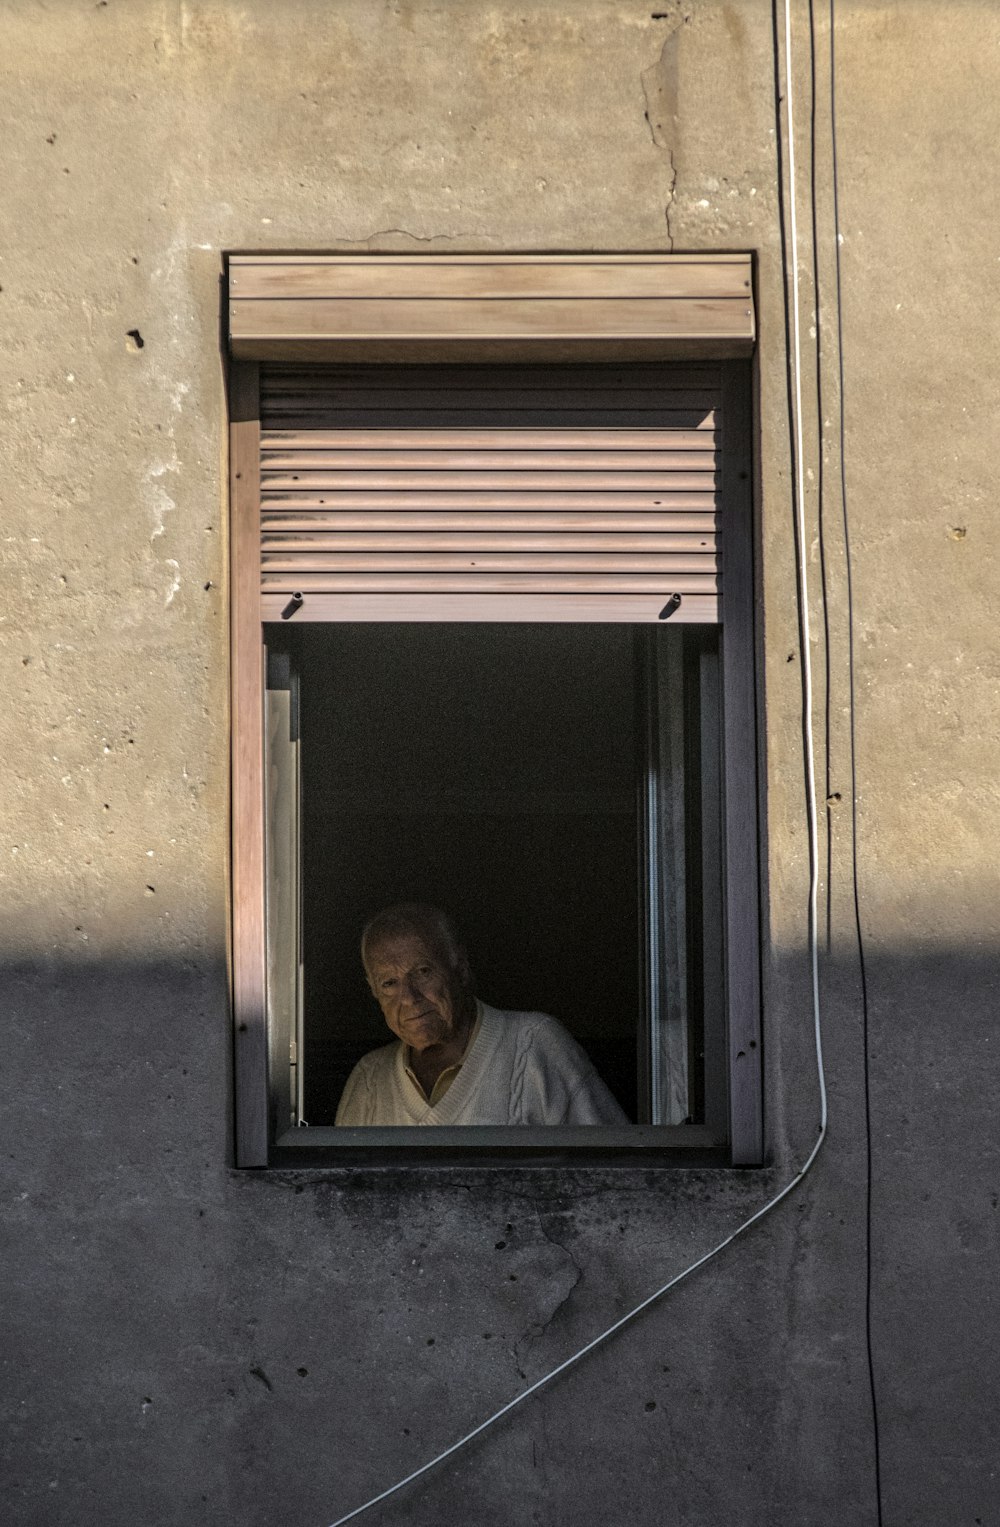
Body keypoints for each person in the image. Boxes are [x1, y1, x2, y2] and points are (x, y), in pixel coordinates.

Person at [335, 903, 629, 1127]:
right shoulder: (369, 1079)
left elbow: (620, 1174)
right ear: (373, 990)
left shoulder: (536, 1045)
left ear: (459, 968)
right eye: (389, 983)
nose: (409, 998)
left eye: (423, 972)